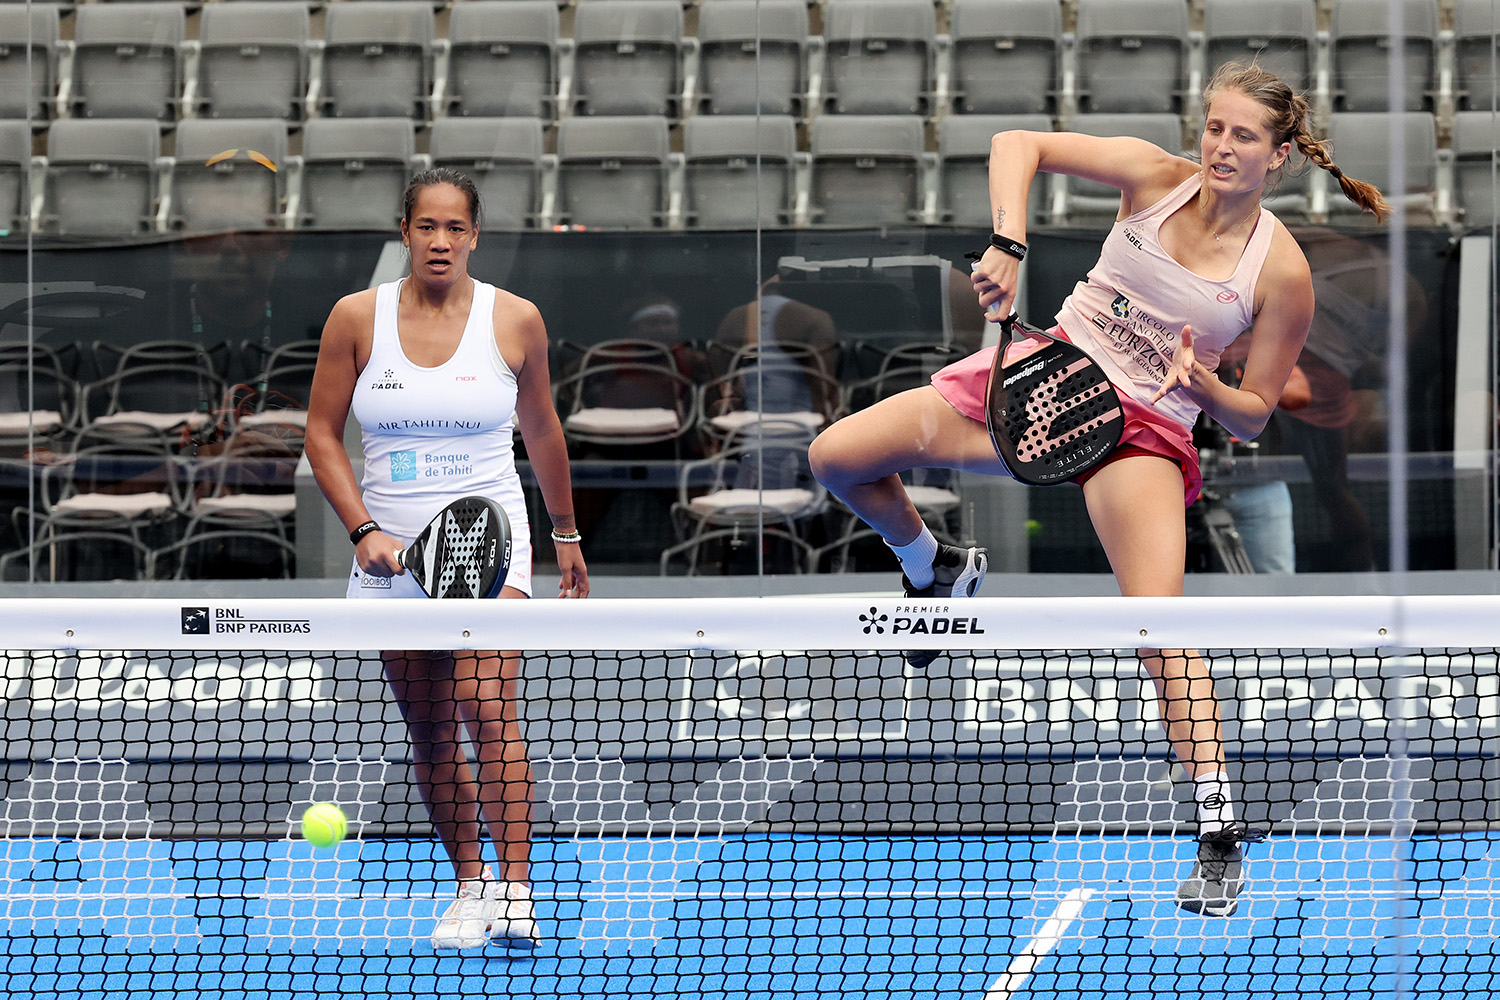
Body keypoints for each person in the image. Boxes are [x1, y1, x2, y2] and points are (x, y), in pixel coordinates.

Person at [809, 63, 1389, 917]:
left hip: (1142, 434)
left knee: (1159, 629)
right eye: (1215, 127)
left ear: (1279, 155)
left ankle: (1220, 835)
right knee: (836, 456)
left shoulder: (1282, 274)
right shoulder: (1153, 177)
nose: (1222, 146)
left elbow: (1255, 415)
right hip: (1045, 382)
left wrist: (1206, 384)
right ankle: (933, 567)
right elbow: (1018, 142)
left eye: (1244, 136)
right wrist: (1009, 244)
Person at [305, 168, 589, 952]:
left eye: (454, 227)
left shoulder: (515, 319)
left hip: (490, 541)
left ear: (474, 235)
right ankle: (470, 886)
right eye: (426, 226)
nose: (440, 241)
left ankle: (517, 893)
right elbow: (321, 434)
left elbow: (542, 430)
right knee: (430, 731)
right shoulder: (355, 318)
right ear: (405, 232)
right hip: (391, 553)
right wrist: (363, 531)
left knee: (486, 707)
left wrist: (565, 533)